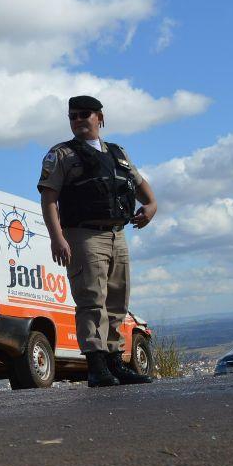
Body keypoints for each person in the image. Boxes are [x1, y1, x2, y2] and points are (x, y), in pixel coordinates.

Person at [37, 95, 157, 387]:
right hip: (84, 235)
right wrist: (57, 238)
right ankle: (97, 366)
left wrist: (152, 206)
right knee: (92, 301)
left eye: (85, 114)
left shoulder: (117, 153)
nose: (78, 120)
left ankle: (116, 363)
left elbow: (140, 187)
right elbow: (48, 197)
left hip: (117, 233)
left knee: (117, 300)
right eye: (73, 116)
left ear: (100, 117)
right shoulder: (62, 154)